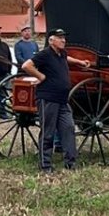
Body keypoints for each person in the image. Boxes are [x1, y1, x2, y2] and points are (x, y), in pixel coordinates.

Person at [20, 28, 91, 173]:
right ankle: (45, 165)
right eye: (59, 38)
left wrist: (80, 62)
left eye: (64, 37)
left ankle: (70, 163)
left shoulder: (62, 54)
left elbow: (67, 58)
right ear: (51, 40)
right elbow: (26, 65)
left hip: (62, 100)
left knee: (69, 128)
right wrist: (41, 77)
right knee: (48, 132)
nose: (63, 40)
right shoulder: (45, 54)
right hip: (48, 99)